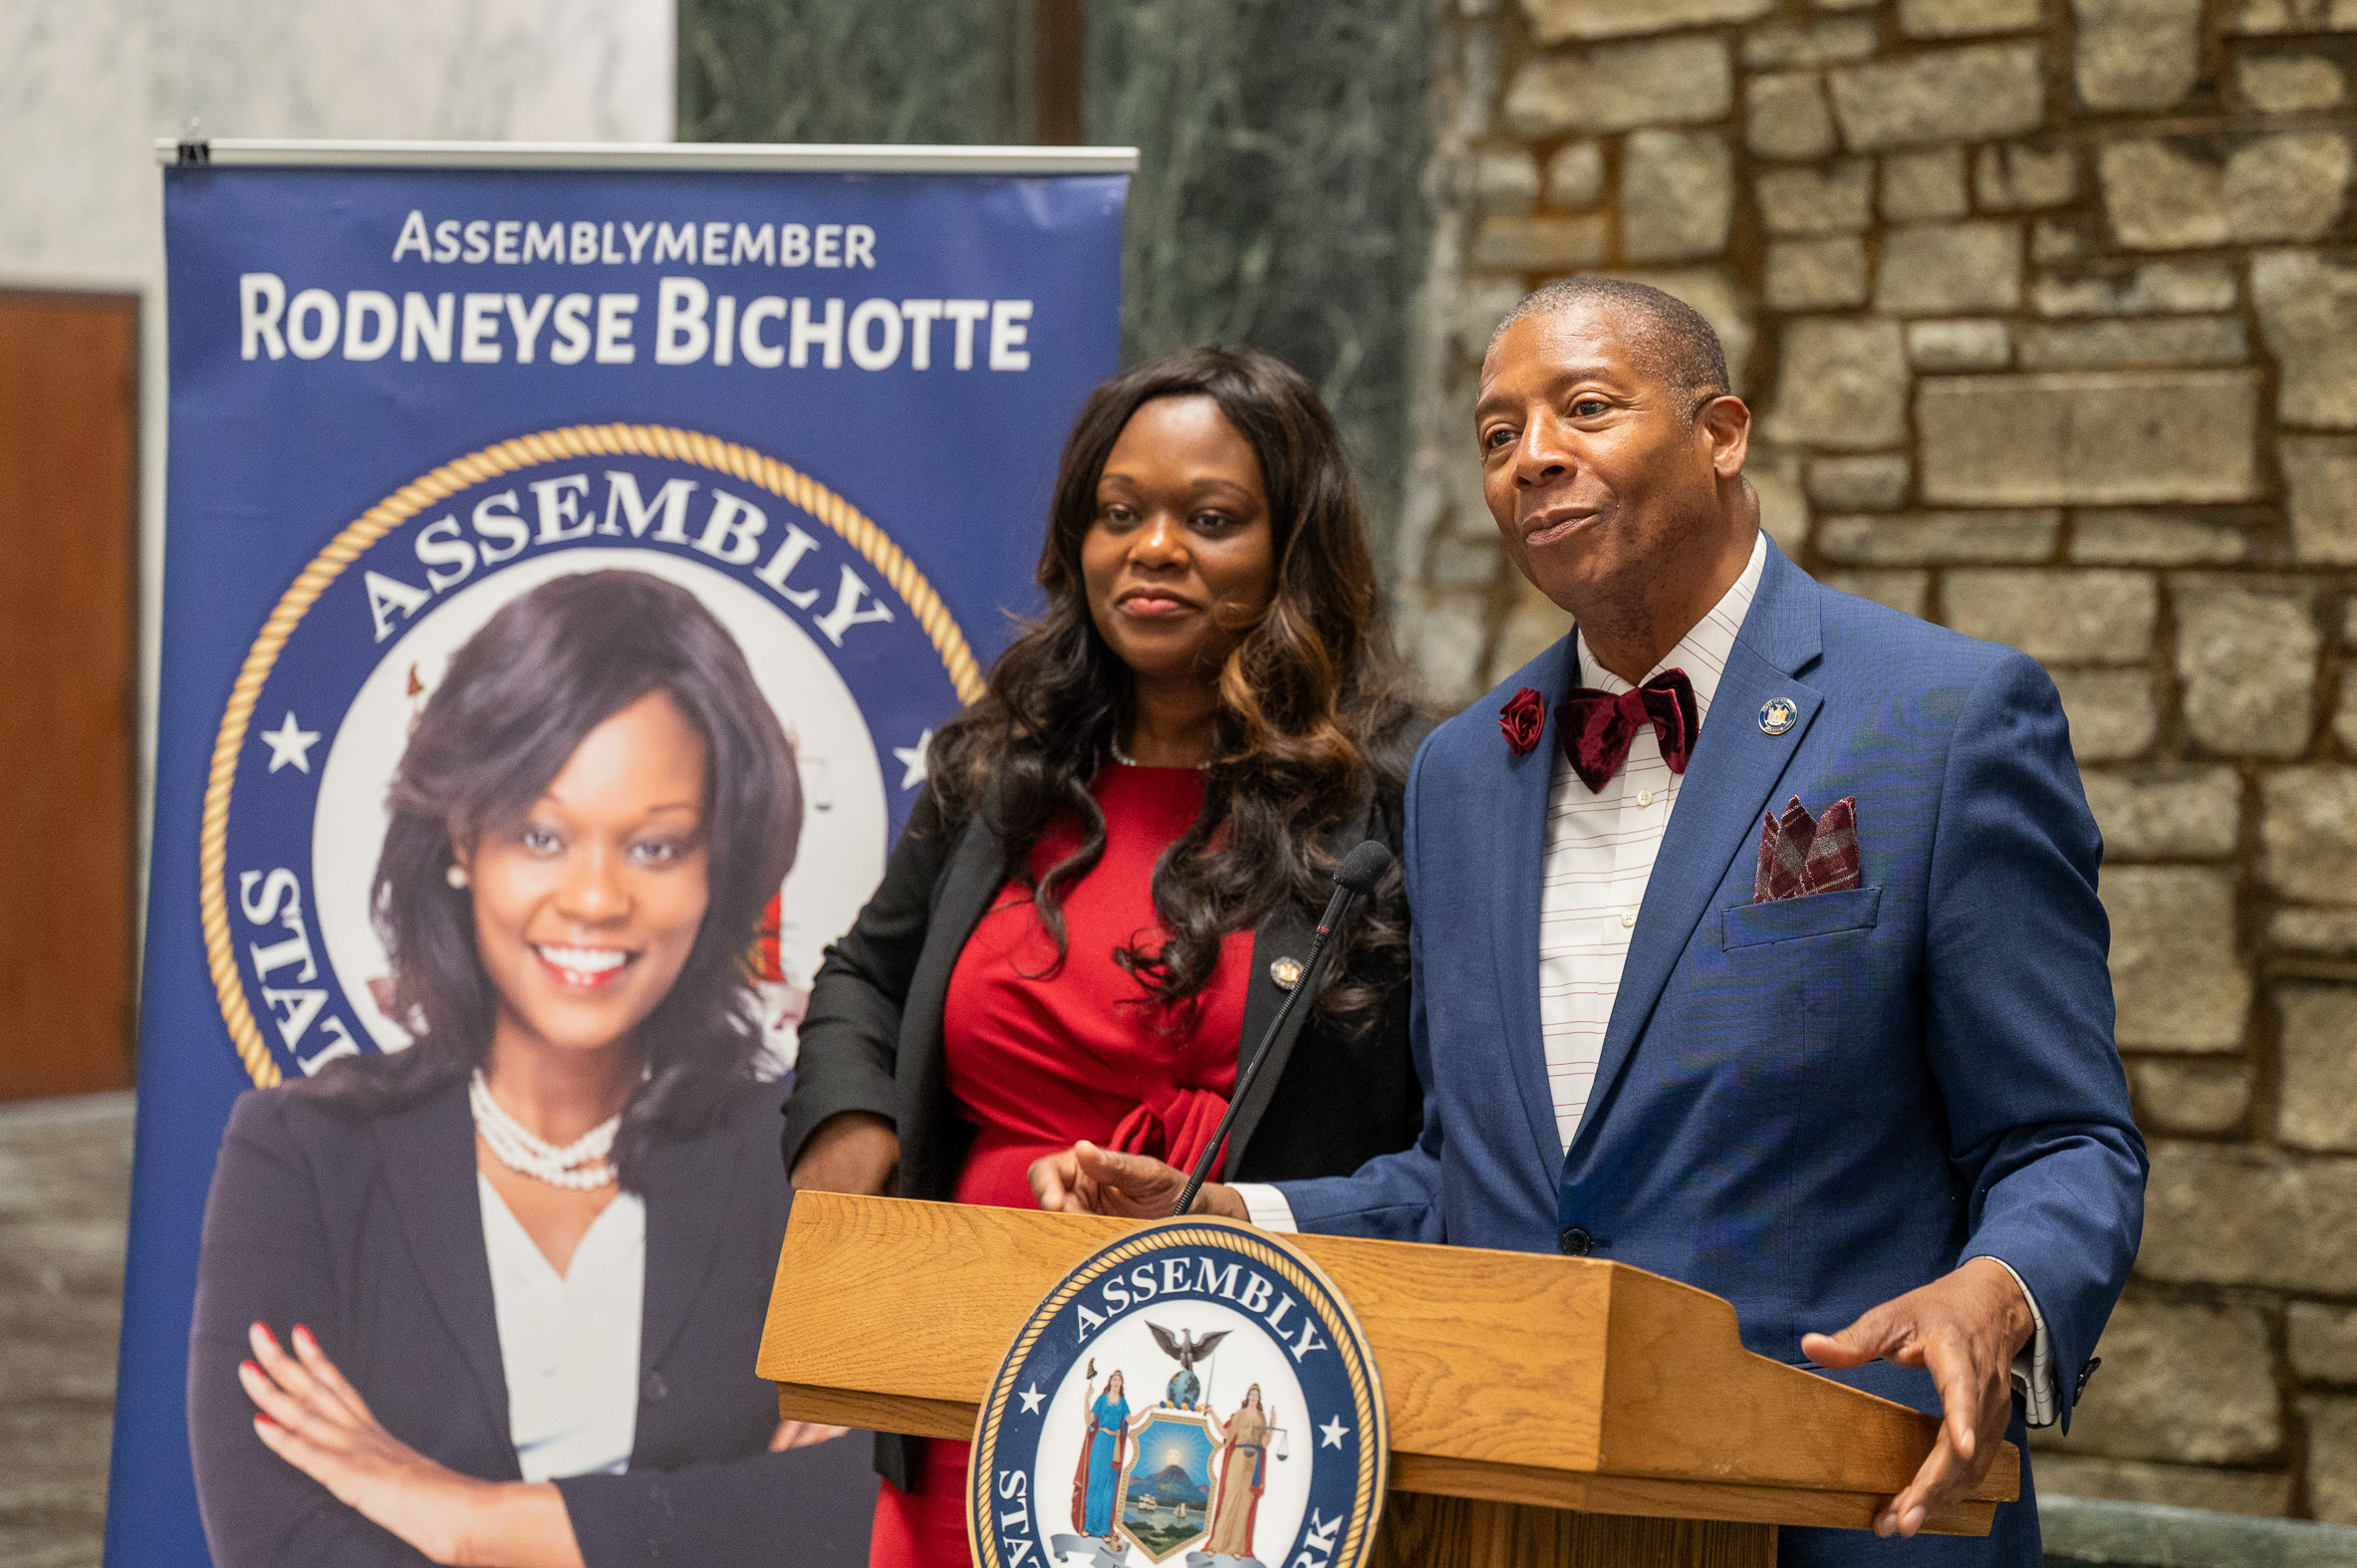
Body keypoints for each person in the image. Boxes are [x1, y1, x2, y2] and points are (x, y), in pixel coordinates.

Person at [1034, 280, 2148, 1565]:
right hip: (1518, 1511)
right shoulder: (1460, 773)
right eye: (1496, 434)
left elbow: (2063, 1136)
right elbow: (1473, 1180)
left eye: (1585, 407)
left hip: (1843, 1506)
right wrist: (1232, 1215)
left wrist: (1996, 1293)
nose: (1532, 456)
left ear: (1720, 433)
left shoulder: (1943, 719)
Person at [780, 346, 1430, 1567]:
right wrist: (846, 1121)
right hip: (962, 1363)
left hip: (1238, 1405)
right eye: (1118, 514)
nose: (1152, 548)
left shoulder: (1392, 797)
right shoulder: (1006, 766)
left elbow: (1441, 1126)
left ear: (1292, 548)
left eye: (1210, 519)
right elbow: (866, 971)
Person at [188, 570, 876, 1568]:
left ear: (715, 866)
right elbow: (277, 1540)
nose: (594, 897)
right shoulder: (300, 1154)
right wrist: (707, 1522)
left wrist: (469, 1521)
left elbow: (859, 1511)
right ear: (462, 840)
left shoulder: (800, 1160)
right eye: (541, 835)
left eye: (655, 845)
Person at [1203, 1386, 1269, 1556]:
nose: (1254, 1397)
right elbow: (1226, 1433)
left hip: (1253, 1460)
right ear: (1248, 1397)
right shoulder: (1239, 1415)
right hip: (1239, 1456)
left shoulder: (1262, 1417)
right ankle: (1217, 1545)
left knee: (1245, 1502)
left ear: (1259, 1398)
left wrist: (1273, 1426)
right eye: (1251, 1394)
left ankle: (1236, 1548)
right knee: (1230, 1499)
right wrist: (1212, 1414)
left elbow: (1264, 1443)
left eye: (1256, 1395)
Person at [1073, 1369, 1131, 1542]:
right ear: (1110, 1381)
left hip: (1114, 1446)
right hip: (1100, 1441)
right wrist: (1086, 1398)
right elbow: (1089, 1420)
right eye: (1114, 1379)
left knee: (1108, 1489)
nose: (1116, 1381)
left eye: (1119, 1379)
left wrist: (1149, 1409)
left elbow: (1130, 1420)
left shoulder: (1123, 1403)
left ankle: (1104, 1530)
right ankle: (1089, 1527)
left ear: (1121, 1384)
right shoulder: (1101, 1399)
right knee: (1094, 1484)